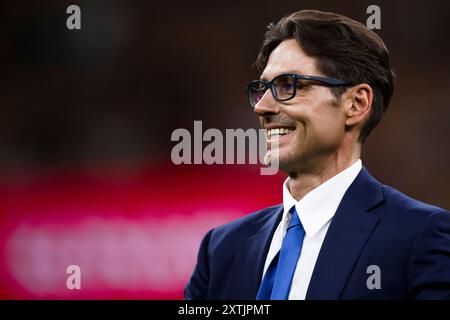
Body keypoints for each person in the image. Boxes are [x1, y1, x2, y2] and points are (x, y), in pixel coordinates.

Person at [184, 9, 450, 300]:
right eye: (262, 88)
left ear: (357, 104)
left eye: (289, 86)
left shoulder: (419, 236)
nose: (262, 106)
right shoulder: (221, 249)